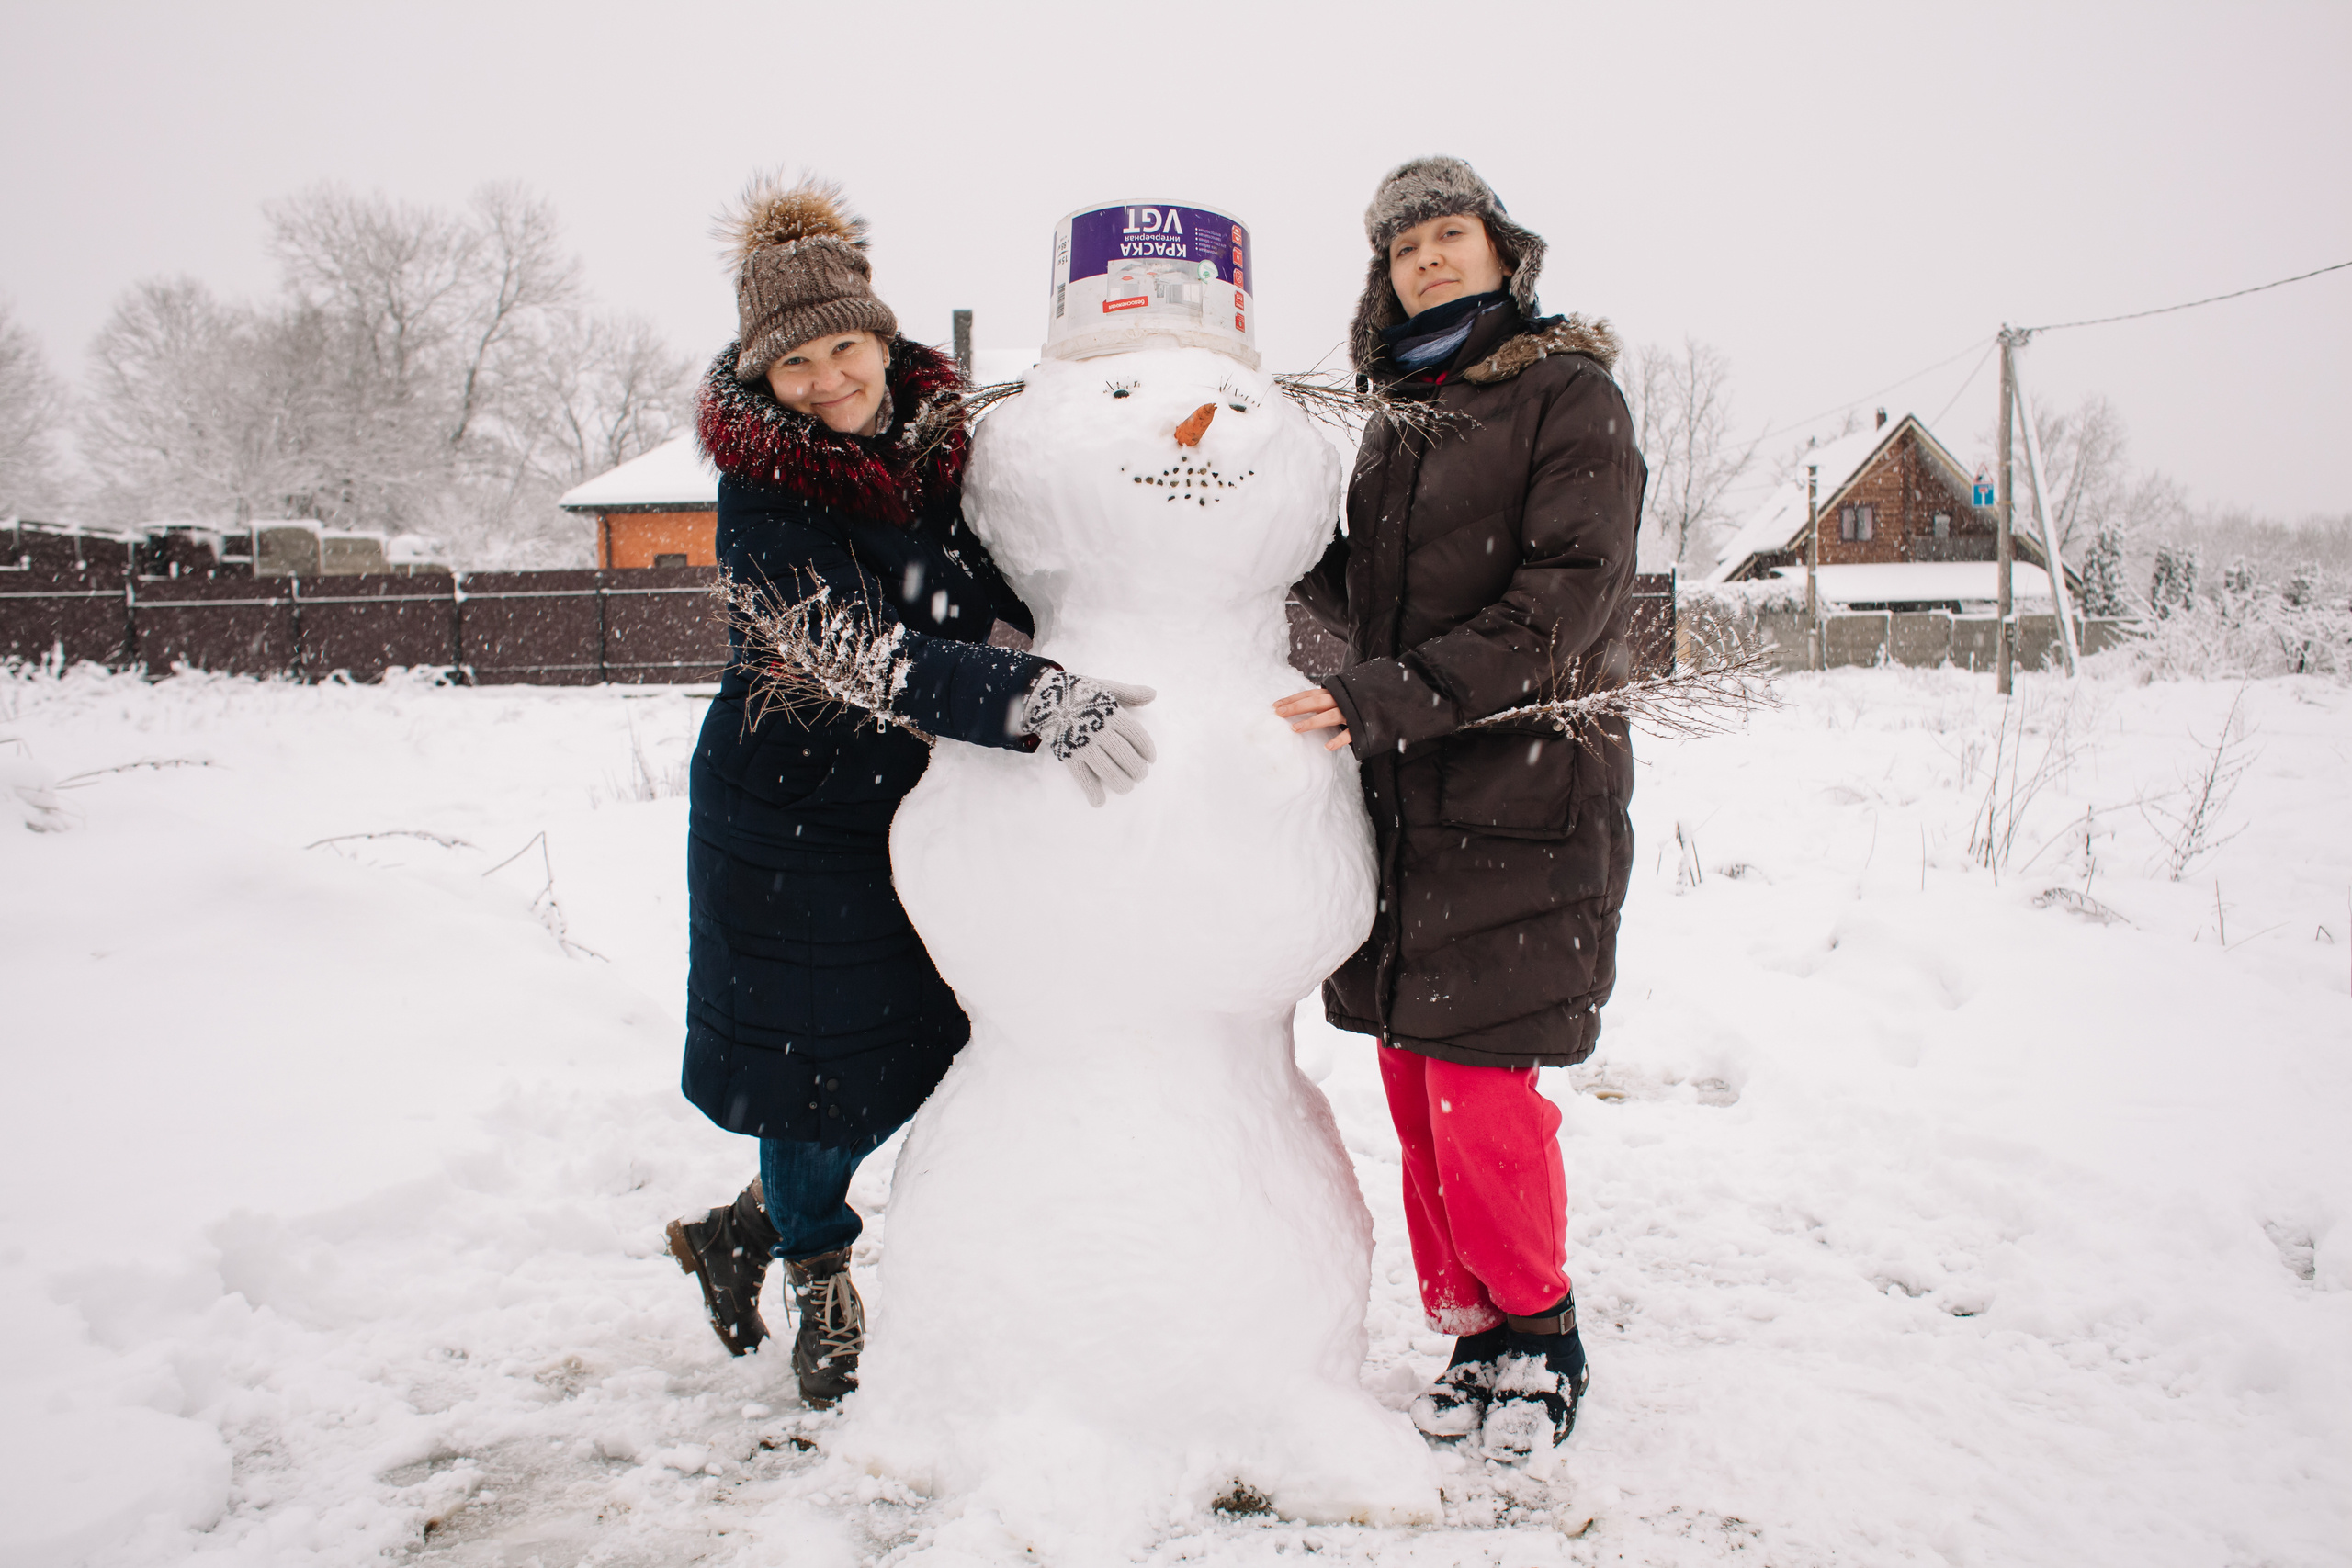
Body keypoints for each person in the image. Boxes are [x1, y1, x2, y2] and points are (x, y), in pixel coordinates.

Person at [665, 175, 1156, 1407]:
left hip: (912, 796)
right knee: (816, 1062)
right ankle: (817, 1267)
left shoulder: (938, 442)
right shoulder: (764, 494)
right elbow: (855, 652)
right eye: (797, 367)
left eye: (845, 348)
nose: (829, 381)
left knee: (933, 1047)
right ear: (758, 379)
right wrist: (1038, 700)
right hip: (786, 808)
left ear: (880, 338)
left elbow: (1005, 555)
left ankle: (753, 1220)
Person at [1275, 156, 1645, 1454]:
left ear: (1502, 250)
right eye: (1403, 247)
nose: (1428, 259)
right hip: (1410, 798)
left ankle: (1540, 1330)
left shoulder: (1567, 395)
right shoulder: (1405, 417)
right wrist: (1236, 538)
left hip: (1524, 791)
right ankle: (1474, 1328)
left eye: (1448, 234)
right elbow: (1366, 599)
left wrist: (1392, 695)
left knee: (1482, 1090)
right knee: (1414, 1078)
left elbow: (1564, 606)